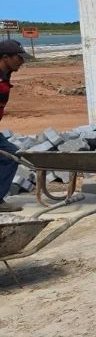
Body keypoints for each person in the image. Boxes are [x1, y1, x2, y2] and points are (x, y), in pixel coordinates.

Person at [0, 40, 29, 212]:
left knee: (11, 156)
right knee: (10, 156)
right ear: (5, 57)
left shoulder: (5, 74)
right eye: (19, 58)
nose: (22, 61)